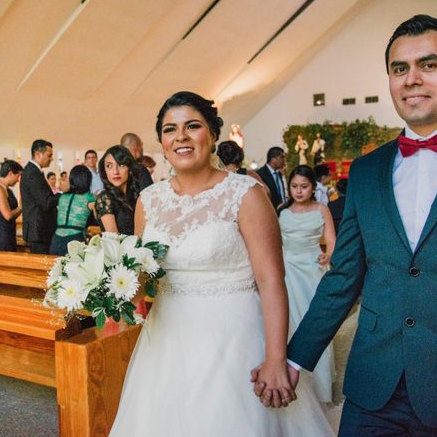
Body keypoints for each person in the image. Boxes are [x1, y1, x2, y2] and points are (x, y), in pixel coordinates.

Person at [259, 15, 437, 436]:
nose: (411, 79)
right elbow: (345, 275)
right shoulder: (367, 171)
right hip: (374, 389)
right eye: (399, 69)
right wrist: (292, 359)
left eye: (428, 64)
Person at [109, 91, 333, 437]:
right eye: (170, 130)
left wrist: (276, 359)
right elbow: (144, 275)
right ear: (161, 141)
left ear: (213, 135)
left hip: (234, 337)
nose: (180, 136)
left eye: (192, 126)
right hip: (166, 343)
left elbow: (272, 281)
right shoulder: (148, 200)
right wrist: (110, 284)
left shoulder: (245, 193)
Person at [278, 165, 336, 403]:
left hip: (312, 269)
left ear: (313, 187)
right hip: (287, 269)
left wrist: (328, 255)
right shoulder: (282, 211)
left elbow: (332, 240)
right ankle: (293, 383)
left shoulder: (322, 210)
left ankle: (319, 388)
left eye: (304, 186)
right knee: (289, 320)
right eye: (294, 186)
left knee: (312, 323)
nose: (299, 191)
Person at [20, 139, 62, 254]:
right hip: (38, 230)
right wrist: (61, 194)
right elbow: (46, 203)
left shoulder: (33, 171)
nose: (52, 159)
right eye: (49, 155)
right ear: (38, 154)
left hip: (39, 229)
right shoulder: (33, 173)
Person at [49, 165, 96, 255]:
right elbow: (99, 218)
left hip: (56, 240)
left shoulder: (62, 197)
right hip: (75, 239)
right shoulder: (90, 198)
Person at [94, 145, 141, 236]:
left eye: (121, 165)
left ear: (129, 168)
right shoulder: (105, 198)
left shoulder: (136, 194)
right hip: (120, 249)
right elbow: (114, 241)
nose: (115, 172)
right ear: (104, 170)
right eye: (109, 166)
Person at [0, 160, 23, 252]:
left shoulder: (7, 190)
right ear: (11, 173)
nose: (18, 180)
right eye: (18, 176)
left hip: (8, 233)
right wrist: (21, 207)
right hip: (1, 236)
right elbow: (8, 215)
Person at [256, 146, 288, 213]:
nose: (284, 161)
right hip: (270, 213)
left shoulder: (279, 173)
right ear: (273, 159)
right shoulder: (260, 174)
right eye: (282, 157)